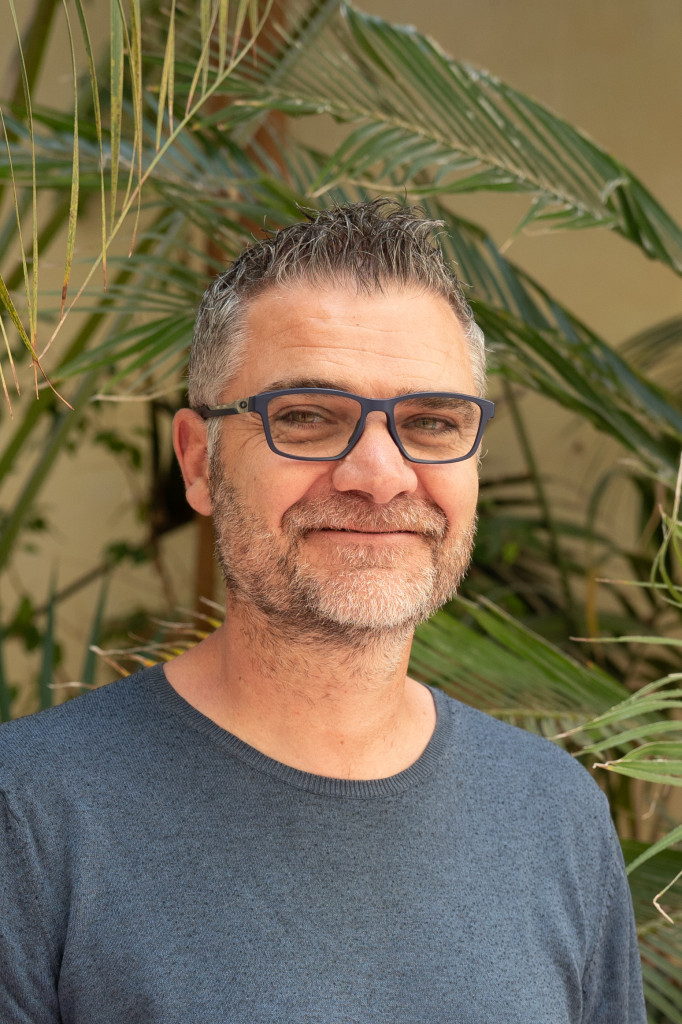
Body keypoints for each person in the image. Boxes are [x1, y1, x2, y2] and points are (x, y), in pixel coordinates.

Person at [0, 200, 645, 1023]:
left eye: (432, 422)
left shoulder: (554, 812)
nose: (380, 476)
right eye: (306, 417)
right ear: (198, 463)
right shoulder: (31, 812)